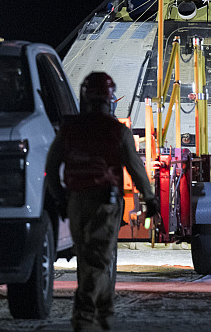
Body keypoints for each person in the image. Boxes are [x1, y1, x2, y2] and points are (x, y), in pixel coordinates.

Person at [45, 72, 159, 332]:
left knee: (89, 259)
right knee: (98, 260)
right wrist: (149, 199)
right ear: (110, 99)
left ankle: (106, 315)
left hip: (75, 202)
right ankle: (84, 318)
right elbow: (135, 168)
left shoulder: (69, 129)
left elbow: (51, 167)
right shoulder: (117, 130)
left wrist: (60, 198)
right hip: (104, 205)